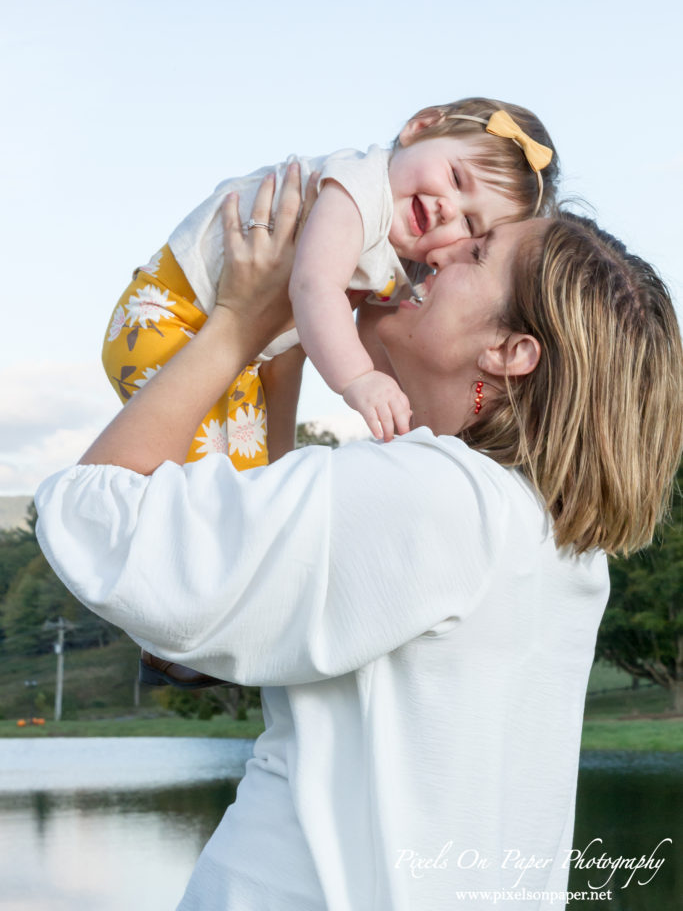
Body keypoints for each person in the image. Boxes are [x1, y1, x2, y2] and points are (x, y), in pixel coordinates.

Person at [35, 168, 682, 909]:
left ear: (511, 350)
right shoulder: (549, 538)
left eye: (475, 254)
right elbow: (284, 575)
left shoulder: (437, 497)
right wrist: (284, 364)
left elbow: (94, 518)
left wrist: (237, 325)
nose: (434, 249)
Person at [102, 97, 558, 454]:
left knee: (253, 480)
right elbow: (314, 286)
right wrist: (357, 380)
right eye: (457, 179)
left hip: (226, 351)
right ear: (420, 128)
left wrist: (402, 419)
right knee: (214, 492)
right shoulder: (358, 189)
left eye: (471, 227)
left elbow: (371, 336)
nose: (448, 210)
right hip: (168, 317)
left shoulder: (399, 247)